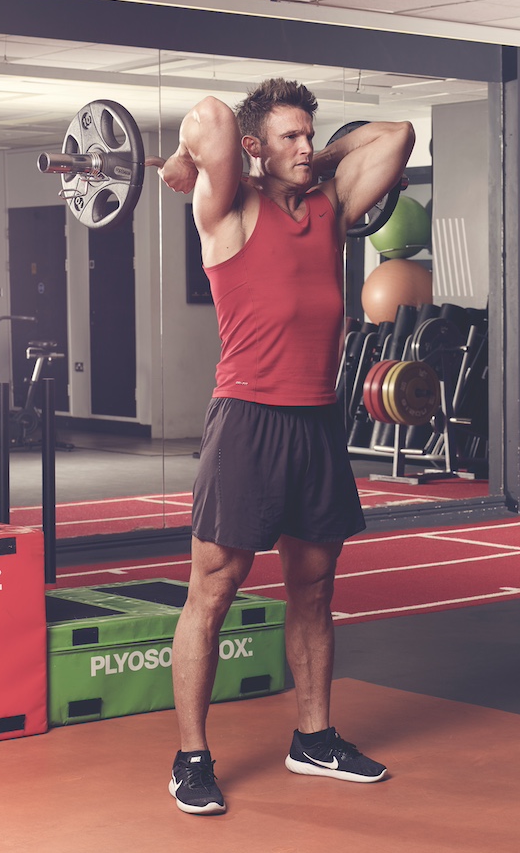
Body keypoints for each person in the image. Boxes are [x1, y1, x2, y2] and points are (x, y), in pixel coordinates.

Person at [159, 78, 415, 815]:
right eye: (289, 138)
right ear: (252, 150)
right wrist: (187, 154)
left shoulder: (332, 209)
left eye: (311, 134)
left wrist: (316, 162)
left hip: (317, 421)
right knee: (213, 588)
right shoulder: (226, 211)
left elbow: (395, 134)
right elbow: (208, 115)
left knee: (313, 586)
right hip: (246, 420)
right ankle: (192, 758)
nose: (306, 147)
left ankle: (314, 737)